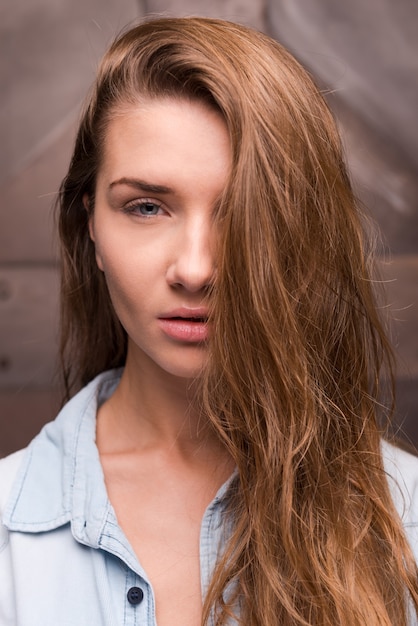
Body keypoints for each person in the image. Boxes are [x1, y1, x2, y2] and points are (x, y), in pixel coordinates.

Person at [1, 16, 418, 626]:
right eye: (146, 207)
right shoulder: (8, 530)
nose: (196, 269)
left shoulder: (405, 518)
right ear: (91, 225)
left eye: (242, 212)